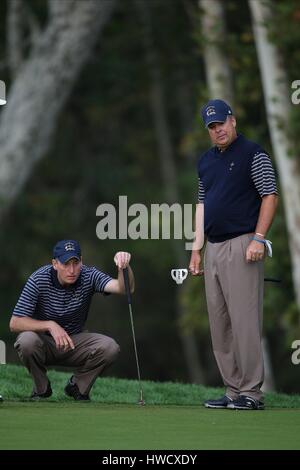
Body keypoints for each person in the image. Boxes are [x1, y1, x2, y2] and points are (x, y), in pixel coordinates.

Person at [189, 99, 278, 410]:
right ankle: (232, 390)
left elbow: (270, 195)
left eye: (221, 123)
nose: (218, 130)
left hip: (243, 245)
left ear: (233, 120)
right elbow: (201, 206)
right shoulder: (205, 161)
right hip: (212, 247)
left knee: (244, 321)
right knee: (220, 323)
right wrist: (196, 249)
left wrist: (258, 238)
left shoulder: (254, 154)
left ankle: (252, 393)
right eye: (212, 127)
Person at [10, 240, 134, 401]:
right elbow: (15, 323)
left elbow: (124, 288)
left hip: (75, 342)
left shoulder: (89, 275)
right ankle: (41, 389)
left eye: (76, 263)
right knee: (26, 340)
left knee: (110, 347)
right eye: (66, 264)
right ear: (55, 263)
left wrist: (124, 267)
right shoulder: (38, 279)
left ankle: (78, 386)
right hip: (44, 343)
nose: (72, 270)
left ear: (81, 261)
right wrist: (50, 325)